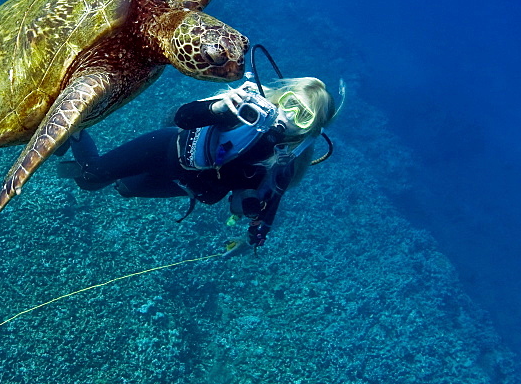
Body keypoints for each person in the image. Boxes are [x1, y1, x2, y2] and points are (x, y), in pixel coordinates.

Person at [58, 76, 339, 253]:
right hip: (166, 150)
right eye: (290, 104)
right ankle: (74, 128)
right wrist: (217, 107)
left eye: (302, 117)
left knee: (124, 189)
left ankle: (82, 145)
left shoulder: (284, 164)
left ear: (310, 129)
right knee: (90, 179)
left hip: (186, 185)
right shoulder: (246, 110)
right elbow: (181, 118)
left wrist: (253, 232)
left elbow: (265, 209)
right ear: (282, 96)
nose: (288, 118)